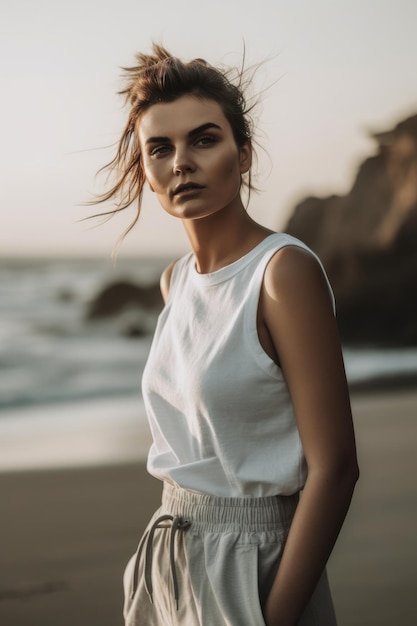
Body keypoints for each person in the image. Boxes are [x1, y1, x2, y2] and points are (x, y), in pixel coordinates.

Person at [92, 44, 359, 626]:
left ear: (243, 156)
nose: (180, 162)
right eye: (160, 148)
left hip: (256, 567)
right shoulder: (174, 282)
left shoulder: (282, 273)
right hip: (169, 555)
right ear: (146, 171)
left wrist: (275, 614)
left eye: (203, 139)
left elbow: (335, 468)